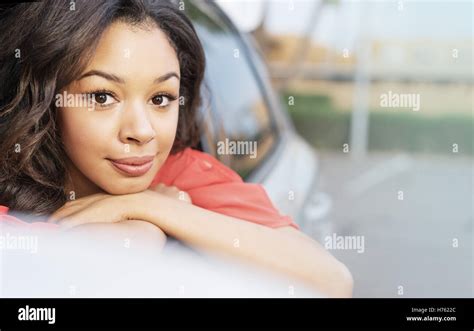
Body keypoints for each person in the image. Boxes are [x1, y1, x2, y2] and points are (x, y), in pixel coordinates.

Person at [0, 0, 353, 297]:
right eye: (102, 96)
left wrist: (146, 204)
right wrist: (146, 229)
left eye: (160, 98)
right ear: (44, 101)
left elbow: (333, 280)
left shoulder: (183, 170)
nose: (142, 132)